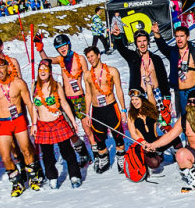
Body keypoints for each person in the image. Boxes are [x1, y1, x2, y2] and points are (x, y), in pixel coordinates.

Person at [145, 98, 195, 192]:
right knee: (180, 153)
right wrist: (153, 145)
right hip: (194, 153)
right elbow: (170, 135)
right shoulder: (184, 119)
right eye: (189, 101)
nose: (191, 104)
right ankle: (193, 181)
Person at [0, 58, 39, 195]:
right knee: (5, 156)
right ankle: (17, 182)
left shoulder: (18, 83)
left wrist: (34, 124)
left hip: (18, 120)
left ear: (7, 68)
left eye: (1, 67)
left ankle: (33, 177)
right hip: (4, 123)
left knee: (26, 150)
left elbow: (29, 103)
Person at [29, 60, 85, 188]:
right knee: (47, 155)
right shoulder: (35, 86)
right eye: (40, 69)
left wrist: (72, 120)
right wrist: (34, 124)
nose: (43, 71)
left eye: (45, 69)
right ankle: (52, 177)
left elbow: (64, 104)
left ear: (50, 71)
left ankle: (75, 175)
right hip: (43, 125)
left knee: (67, 151)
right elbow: (34, 106)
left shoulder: (56, 86)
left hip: (58, 122)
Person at [83, 45, 128, 173]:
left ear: (98, 55)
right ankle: (104, 157)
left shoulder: (112, 71)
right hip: (97, 110)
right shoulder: (87, 75)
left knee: (118, 136)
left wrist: (123, 110)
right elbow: (88, 94)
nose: (90, 59)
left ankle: (121, 157)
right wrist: (87, 114)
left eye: (92, 56)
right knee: (99, 138)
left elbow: (119, 90)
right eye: (88, 57)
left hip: (111, 107)